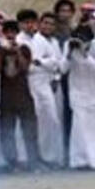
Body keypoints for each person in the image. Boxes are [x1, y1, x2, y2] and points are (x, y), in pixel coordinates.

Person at [18, 10, 63, 166]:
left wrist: (43, 63)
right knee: (33, 120)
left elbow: (56, 63)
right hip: (30, 83)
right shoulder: (24, 40)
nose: (29, 25)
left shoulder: (47, 41)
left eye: (32, 22)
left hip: (46, 83)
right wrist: (42, 63)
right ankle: (29, 157)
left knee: (51, 119)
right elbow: (28, 64)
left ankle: (49, 156)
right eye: (25, 22)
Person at [0, 21, 41, 171]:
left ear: (16, 33)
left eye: (12, 32)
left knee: (30, 129)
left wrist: (17, 51)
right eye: (7, 32)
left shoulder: (24, 48)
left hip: (23, 95)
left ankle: (33, 160)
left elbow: (25, 67)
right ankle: (11, 162)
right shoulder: (0, 48)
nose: (10, 35)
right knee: (7, 130)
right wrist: (1, 52)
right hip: (6, 96)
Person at [62, 26, 95, 169]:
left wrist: (85, 54)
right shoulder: (69, 45)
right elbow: (63, 69)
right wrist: (68, 54)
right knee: (79, 128)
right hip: (77, 93)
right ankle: (80, 160)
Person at [54, 0, 76, 165]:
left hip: (75, 79)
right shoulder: (53, 33)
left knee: (72, 114)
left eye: (68, 11)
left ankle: (72, 151)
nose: (65, 14)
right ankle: (61, 153)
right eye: (62, 11)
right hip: (57, 78)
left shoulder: (75, 31)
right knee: (60, 116)